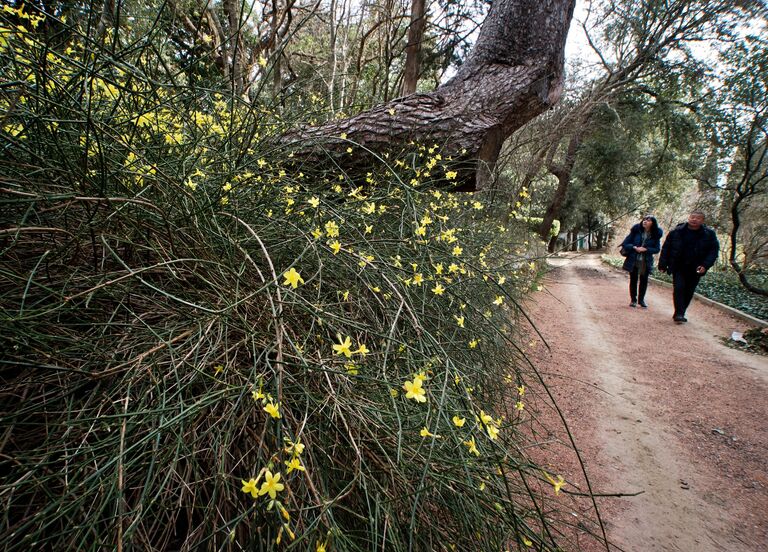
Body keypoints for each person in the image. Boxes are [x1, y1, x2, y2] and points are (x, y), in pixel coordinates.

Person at [658, 210, 720, 323]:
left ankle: (681, 311)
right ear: (689, 218)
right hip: (678, 265)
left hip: (696, 267)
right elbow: (666, 248)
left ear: (702, 220)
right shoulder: (677, 231)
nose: (694, 219)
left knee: (689, 290)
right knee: (679, 288)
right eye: (692, 217)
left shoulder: (709, 234)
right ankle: (679, 313)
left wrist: (705, 265)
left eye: (698, 218)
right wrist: (663, 264)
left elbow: (713, 252)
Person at [620, 215, 663, 308]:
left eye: (648, 220)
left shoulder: (656, 235)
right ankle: (633, 300)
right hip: (633, 259)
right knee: (633, 280)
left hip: (646, 261)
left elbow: (656, 249)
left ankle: (641, 300)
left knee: (644, 280)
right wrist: (634, 247)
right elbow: (625, 243)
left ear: (653, 223)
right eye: (644, 219)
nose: (645, 221)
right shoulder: (636, 231)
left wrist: (646, 249)